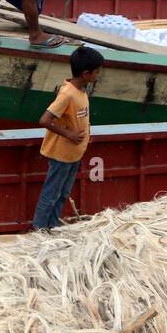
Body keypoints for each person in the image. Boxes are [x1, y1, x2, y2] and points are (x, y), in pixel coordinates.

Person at [32, 47, 104, 230]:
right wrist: (69, 134)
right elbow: (45, 120)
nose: (99, 75)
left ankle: (53, 227)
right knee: (51, 194)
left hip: (74, 154)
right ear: (86, 73)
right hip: (62, 155)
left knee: (63, 193)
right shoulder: (67, 94)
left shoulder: (81, 90)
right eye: (97, 71)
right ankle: (40, 229)